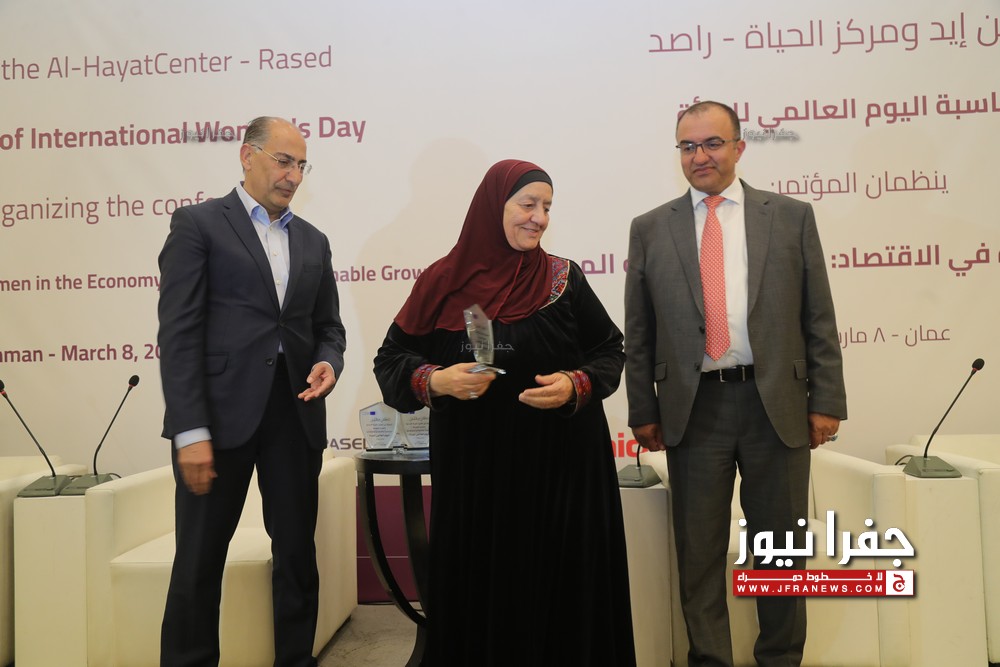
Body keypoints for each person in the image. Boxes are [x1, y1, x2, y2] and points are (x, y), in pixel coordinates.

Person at [373, 159, 636, 666]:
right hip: (479, 480)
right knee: (485, 591)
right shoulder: (442, 281)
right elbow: (391, 359)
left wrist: (575, 384)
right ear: (493, 206)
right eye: (528, 204)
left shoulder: (564, 279)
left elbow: (609, 350)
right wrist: (436, 379)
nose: (539, 218)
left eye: (547, 207)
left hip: (563, 474)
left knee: (561, 592)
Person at [624, 101, 847, 667]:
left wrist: (826, 400)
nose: (700, 156)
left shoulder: (790, 217)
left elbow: (818, 317)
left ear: (739, 147)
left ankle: (780, 658)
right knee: (698, 555)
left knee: (781, 552)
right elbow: (640, 330)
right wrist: (642, 408)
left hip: (777, 405)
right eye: (688, 146)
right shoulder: (650, 228)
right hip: (694, 408)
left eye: (712, 143)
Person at [157, 116, 346, 667]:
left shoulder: (313, 240)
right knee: (198, 562)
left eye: (301, 166)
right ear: (247, 155)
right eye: (283, 161)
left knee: (296, 556)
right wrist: (190, 430)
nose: (293, 176)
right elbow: (179, 334)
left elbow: (328, 327)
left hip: (295, 413)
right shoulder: (198, 225)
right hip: (218, 420)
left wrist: (328, 362)